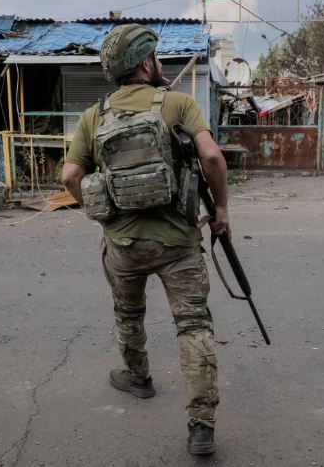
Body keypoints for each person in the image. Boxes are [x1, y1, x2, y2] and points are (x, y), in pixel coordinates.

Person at [61, 24, 229, 456]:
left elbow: (71, 176)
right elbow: (212, 157)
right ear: (144, 63)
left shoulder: (94, 116)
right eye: (155, 56)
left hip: (123, 246)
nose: (159, 63)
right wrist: (222, 212)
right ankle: (201, 427)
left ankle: (138, 377)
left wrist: (104, 214)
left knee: (129, 313)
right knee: (193, 325)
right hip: (178, 244)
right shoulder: (178, 103)